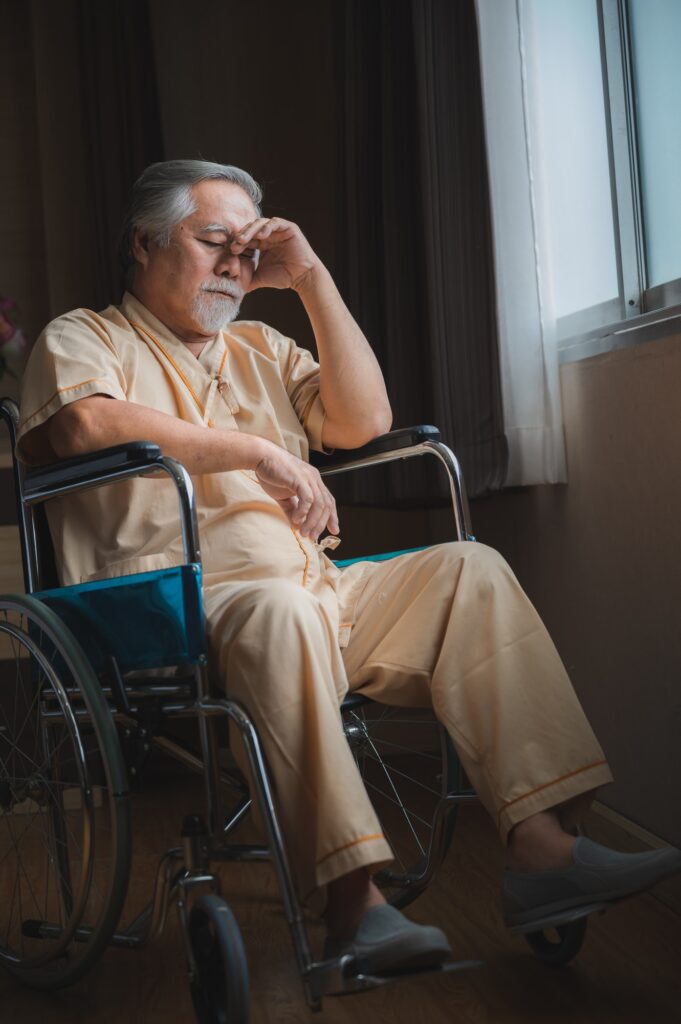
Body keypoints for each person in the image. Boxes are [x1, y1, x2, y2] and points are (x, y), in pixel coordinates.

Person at [17, 160, 681, 974]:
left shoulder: (261, 345)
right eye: (213, 241)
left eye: (247, 249)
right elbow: (86, 425)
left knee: (466, 570)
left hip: (313, 586)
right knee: (278, 612)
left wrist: (310, 280)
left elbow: (362, 419)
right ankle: (351, 905)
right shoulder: (83, 336)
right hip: (180, 603)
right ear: (145, 242)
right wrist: (257, 452)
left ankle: (543, 852)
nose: (234, 263)